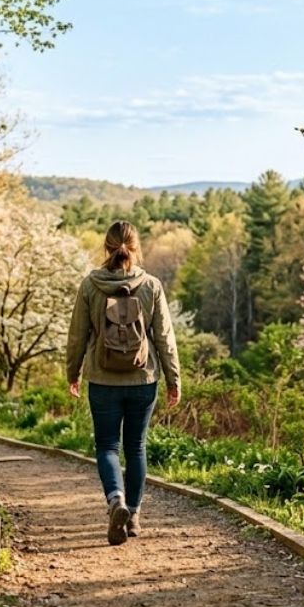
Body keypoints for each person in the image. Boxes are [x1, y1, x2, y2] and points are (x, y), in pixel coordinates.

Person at [65, 221, 181, 546]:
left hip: (102, 379)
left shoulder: (90, 285)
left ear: (107, 247)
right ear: (135, 247)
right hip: (143, 379)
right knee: (136, 447)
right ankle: (134, 514)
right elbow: (164, 338)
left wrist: (72, 372)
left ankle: (115, 500)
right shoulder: (152, 285)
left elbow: (77, 335)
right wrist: (174, 379)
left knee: (107, 446)